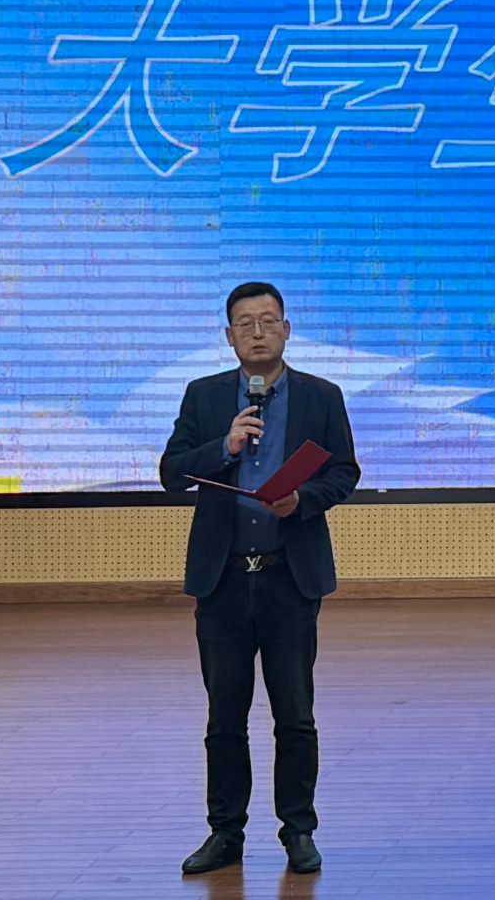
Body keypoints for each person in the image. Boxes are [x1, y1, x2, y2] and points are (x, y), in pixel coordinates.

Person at [159, 282, 360, 876]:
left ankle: (298, 831)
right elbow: (171, 472)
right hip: (221, 579)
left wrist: (301, 500)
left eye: (268, 320)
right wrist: (222, 447)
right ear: (229, 336)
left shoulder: (322, 396)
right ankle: (225, 833)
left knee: (294, 714)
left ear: (286, 330)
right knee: (225, 717)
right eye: (245, 322)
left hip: (288, 579)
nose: (257, 331)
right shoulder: (203, 396)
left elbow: (344, 472)